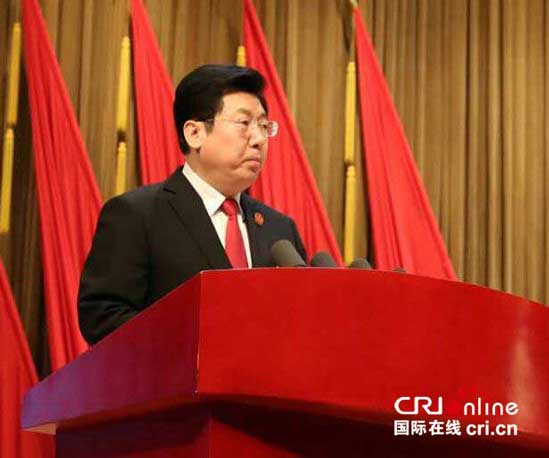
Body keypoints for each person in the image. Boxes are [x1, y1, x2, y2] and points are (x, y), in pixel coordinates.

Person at [78, 64, 306, 345]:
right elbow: (103, 316)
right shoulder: (137, 215)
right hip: (171, 372)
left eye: (263, 125)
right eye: (244, 123)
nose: (259, 139)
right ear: (194, 133)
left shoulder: (279, 230)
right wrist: (194, 343)